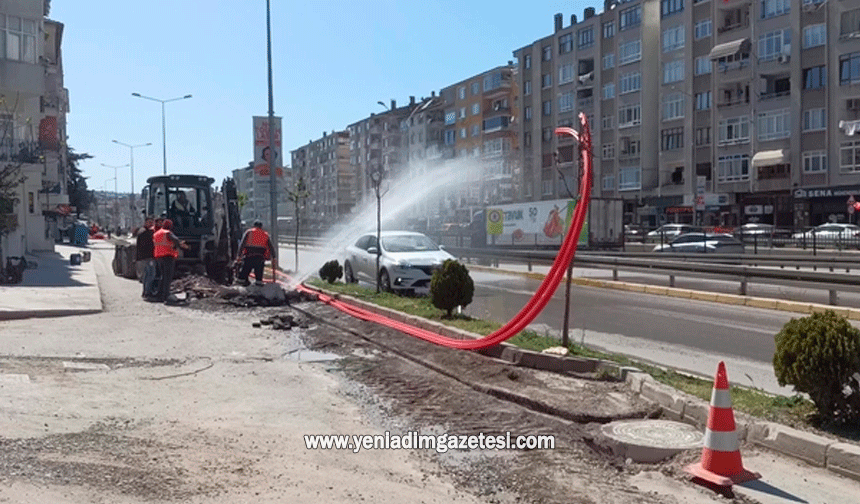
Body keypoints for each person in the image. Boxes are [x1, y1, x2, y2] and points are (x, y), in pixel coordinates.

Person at [151, 219, 189, 302]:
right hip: (168, 256)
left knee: (162, 276)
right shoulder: (167, 233)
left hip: (159, 257)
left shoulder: (157, 233)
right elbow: (176, 240)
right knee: (167, 277)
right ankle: (166, 296)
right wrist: (184, 246)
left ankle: (160, 295)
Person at [237, 219, 277, 286]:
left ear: (253, 226)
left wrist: (238, 256)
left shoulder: (249, 232)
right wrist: (274, 257)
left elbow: (242, 245)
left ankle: (243, 287)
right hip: (260, 258)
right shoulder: (265, 234)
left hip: (249, 257)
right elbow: (271, 247)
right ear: (261, 227)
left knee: (243, 275)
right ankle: (258, 289)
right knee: (259, 278)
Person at [134, 217, 156, 296]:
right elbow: (147, 246)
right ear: (145, 222)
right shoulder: (145, 232)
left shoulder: (144, 231)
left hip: (145, 257)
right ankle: (147, 292)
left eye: (152, 222)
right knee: (151, 274)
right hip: (147, 257)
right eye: (149, 222)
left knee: (147, 275)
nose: (151, 224)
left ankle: (146, 291)